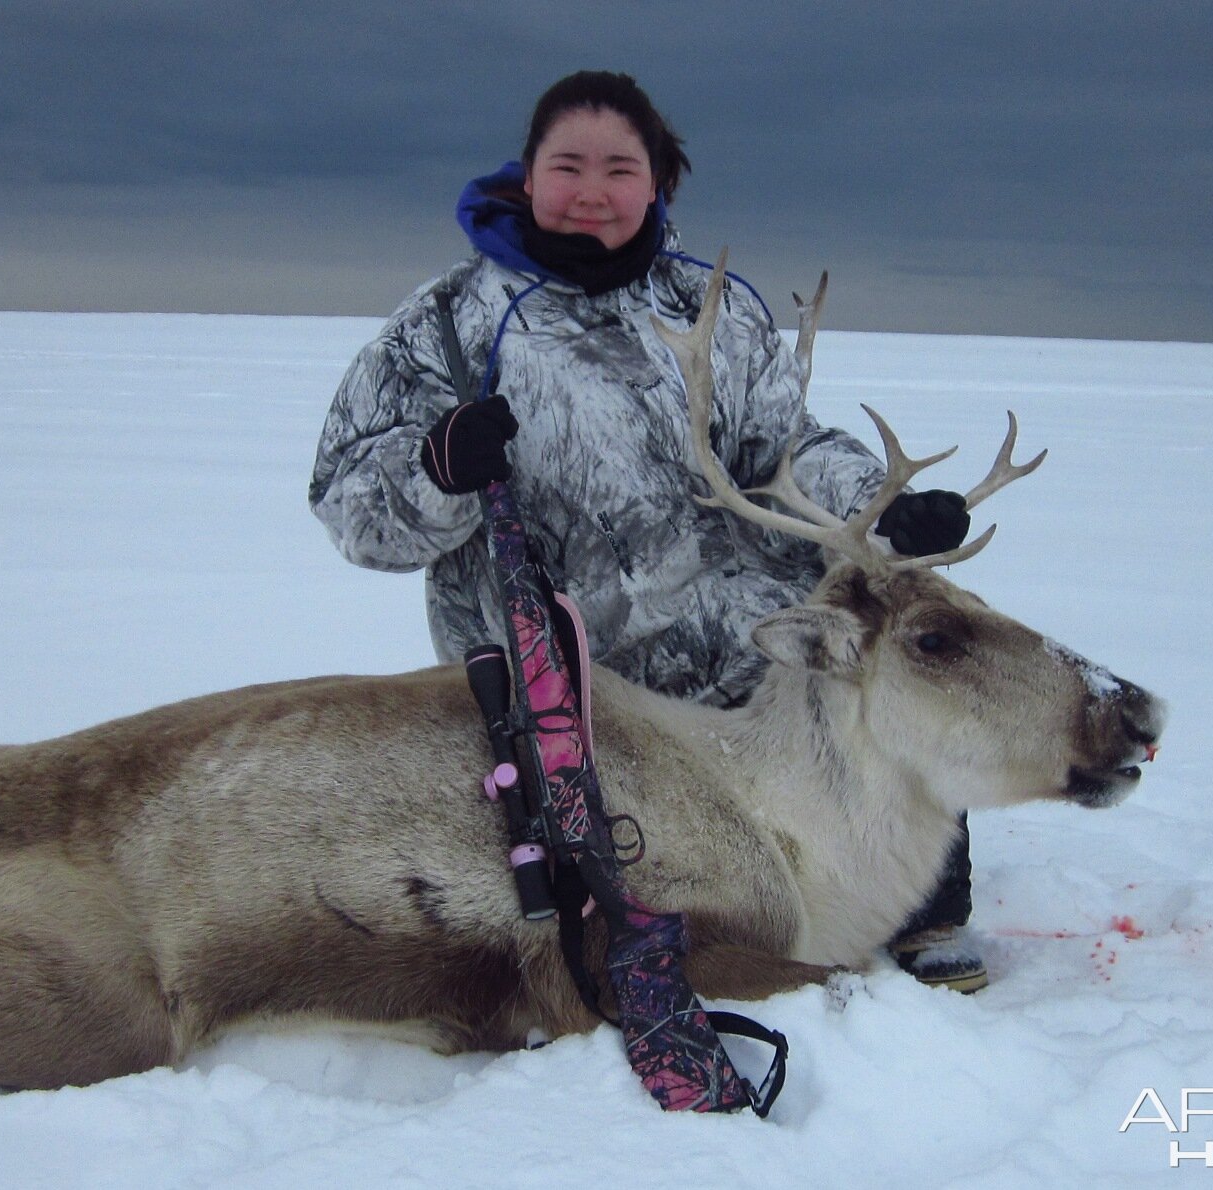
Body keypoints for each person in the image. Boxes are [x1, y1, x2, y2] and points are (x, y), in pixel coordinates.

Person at [308, 70, 984, 992]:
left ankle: (922, 900)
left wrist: (879, 503)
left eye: (620, 168)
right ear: (529, 174)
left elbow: (782, 444)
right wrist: (437, 474)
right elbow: (354, 515)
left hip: (757, 664)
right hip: (580, 695)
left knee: (902, 648)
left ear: (659, 182)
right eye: (568, 165)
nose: (593, 191)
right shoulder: (443, 329)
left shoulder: (715, 309)